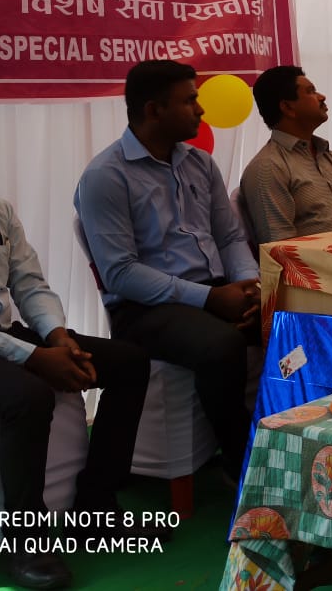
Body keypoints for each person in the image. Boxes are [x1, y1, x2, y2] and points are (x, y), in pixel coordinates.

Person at [0, 92, 152, 590]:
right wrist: (35, 356)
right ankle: (27, 544)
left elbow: (30, 284)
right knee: (28, 394)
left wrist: (57, 338)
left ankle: (94, 505)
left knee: (128, 361)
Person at [74, 61, 259, 484]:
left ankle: (293, 439)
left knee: (290, 321)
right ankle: (242, 465)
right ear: (154, 110)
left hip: (214, 291)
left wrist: (250, 287)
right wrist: (210, 299)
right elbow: (121, 273)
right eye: (190, 101)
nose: (201, 110)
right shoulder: (106, 176)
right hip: (144, 308)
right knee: (223, 345)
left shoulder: (200, 163)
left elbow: (229, 237)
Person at [239, 65, 332, 244]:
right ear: (287, 107)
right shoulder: (268, 167)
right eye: (311, 91)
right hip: (322, 262)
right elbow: (280, 248)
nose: (322, 97)